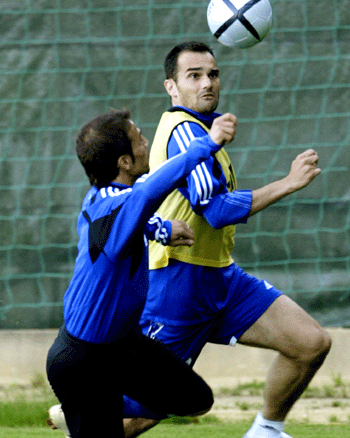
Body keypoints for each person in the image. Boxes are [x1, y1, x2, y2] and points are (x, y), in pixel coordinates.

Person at [123, 41, 332, 438]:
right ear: (172, 87)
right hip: (177, 287)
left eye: (213, 74)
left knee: (310, 343)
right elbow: (215, 211)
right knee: (142, 414)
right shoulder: (185, 133)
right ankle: (80, 417)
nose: (207, 83)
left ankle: (265, 431)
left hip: (221, 278)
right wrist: (287, 183)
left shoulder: (206, 129)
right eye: (194, 76)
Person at [46, 107, 239, 438]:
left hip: (123, 346)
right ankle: (81, 408)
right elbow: (147, 194)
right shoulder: (118, 207)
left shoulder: (104, 198)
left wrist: (160, 229)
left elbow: (134, 209)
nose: (146, 142)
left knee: (195, 399)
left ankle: (84, 411)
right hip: (82, 362)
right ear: (123, 161)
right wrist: (205, 144)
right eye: (139, 139)